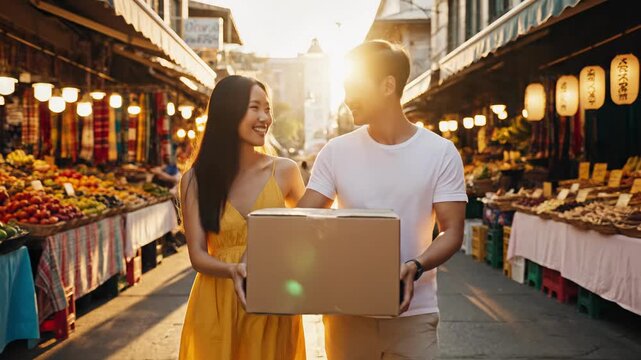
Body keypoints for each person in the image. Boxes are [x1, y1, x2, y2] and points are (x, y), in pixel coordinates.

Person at [297, 40, 467, 360]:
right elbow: (302, 218)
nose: (347, 99)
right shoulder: (336, 152)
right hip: (347, 312)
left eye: (355, 87)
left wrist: (415, 266)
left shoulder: (440, 152)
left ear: (388, 85)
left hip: (414, 314)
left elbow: (451, 231)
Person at [179, 75, 307, 360]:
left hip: (272, 302)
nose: (265, 117)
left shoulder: (285, 171)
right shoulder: (195, 180)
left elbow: (312, 228)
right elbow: (198, 256)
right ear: (228, 112)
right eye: (255, 107)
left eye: (268, 108)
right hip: (217, 303)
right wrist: (233, 270)